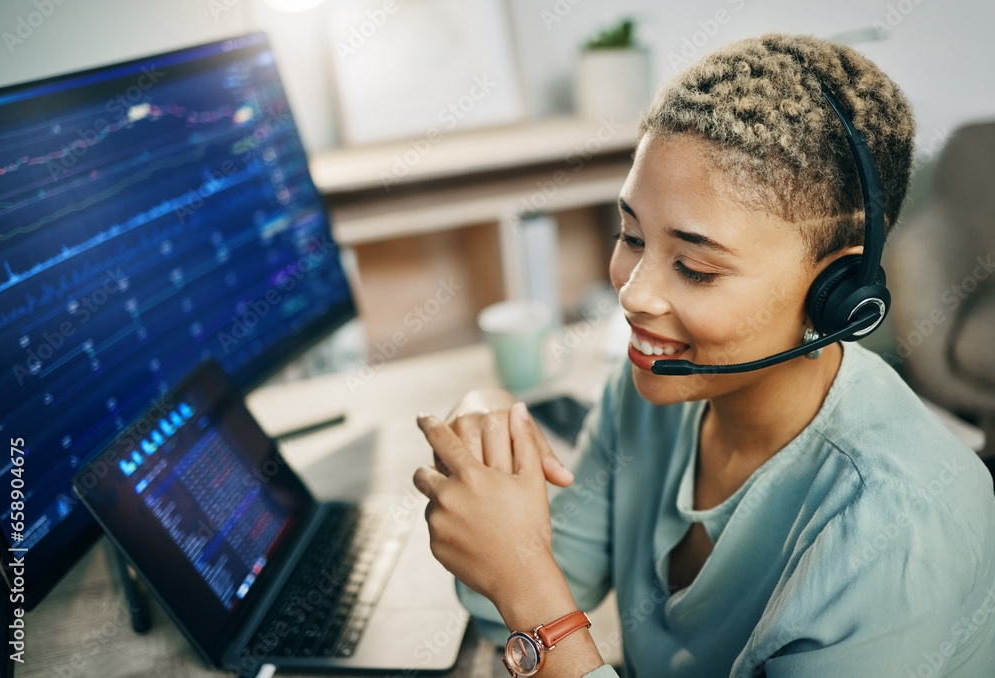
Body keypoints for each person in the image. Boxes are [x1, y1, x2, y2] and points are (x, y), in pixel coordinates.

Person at [411, 33, 995, 677]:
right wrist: (494, 435)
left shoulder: (898, 530)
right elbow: (513, 598)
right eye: (629, 235)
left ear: (837, 294)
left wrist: (528, 593)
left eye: (694, 267)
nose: (633, 295)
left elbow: (530, 600)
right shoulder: (653, 388)